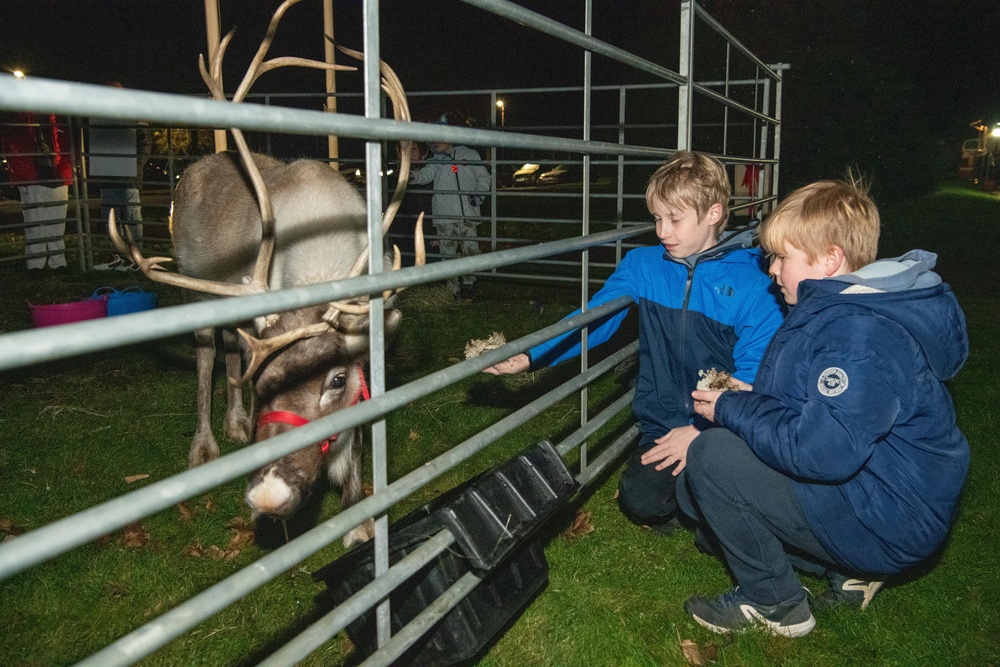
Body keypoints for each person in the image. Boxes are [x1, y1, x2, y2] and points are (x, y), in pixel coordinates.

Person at [680, 177, 970, 638]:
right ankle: (848, 573)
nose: (772, 270)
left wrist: (733, 410)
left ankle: (777, 606)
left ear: (830, 259)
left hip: (889, 517)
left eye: (782, 257)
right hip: (878, 497)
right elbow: (818, 409)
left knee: (713, 458)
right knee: (700, 509)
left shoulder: (859, 335)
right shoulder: (842, 310)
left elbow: (821, 453)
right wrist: (750, 396)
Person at [485, 151, 784, 532]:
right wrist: (529, 354)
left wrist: (700, 430)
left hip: (724, 425)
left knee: (710, 502)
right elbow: (595, 318)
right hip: (662, 421)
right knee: (640, 499)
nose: (662, 232)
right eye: (657, 218)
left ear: (713, 213)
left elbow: (751, 371)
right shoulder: (644, 265)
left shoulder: (754, 282)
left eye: (675, 219)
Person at [408, 114, 491, 301]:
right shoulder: (436, 161)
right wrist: (413, 176)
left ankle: (470, 284)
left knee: (471, 251)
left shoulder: (471, 155)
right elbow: (426, 175)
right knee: (448, 254)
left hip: (467, 215)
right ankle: (453, 289)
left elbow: (484, 177)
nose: (433, 141)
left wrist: (479, 195)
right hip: (445, 216)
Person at [0, 111, 74, 272]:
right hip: (36, 177)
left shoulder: (51, 119)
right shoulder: (21, 119)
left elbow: (68, 148)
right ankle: (39, 264)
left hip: (54, 175)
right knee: (36, 222)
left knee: (54, 222)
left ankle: (54, 262)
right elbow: (13, 149)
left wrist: (63, 170)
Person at [90, 82, 152, 270]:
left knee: (131, 216)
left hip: (128, 175)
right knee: (110, 217)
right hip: (108, 174)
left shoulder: (134, 112)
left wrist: (135, 165)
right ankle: (116, 256)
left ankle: (135, 258)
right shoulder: (101, 115)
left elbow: (145, 142)